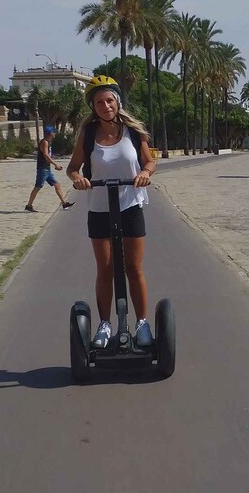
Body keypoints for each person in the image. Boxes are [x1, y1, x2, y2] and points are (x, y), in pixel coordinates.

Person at [66, 75, 156, 348]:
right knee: (105, 269)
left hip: (130, 205)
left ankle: (141, 323)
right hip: (100, 209)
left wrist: (144, 172)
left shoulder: (133, 131)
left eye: (109, 100)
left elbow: (150, 161)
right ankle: (105, 324)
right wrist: (77, 179)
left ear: (117, 101)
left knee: (133, 268)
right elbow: (72, 168)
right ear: (93, 106)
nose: (106, 106)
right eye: (99, 102)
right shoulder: (89, 134)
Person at [25, 125, 73, 212]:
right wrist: (55, 164)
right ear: (51, 133)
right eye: (54, 132)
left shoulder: (47, 142)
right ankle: (29, 205)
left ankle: (64, 203)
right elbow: (46, 155)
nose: (55, 134)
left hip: (47, 169)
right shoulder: (44, 142)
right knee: (38, 187)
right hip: (42, 168)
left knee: (57, 185)